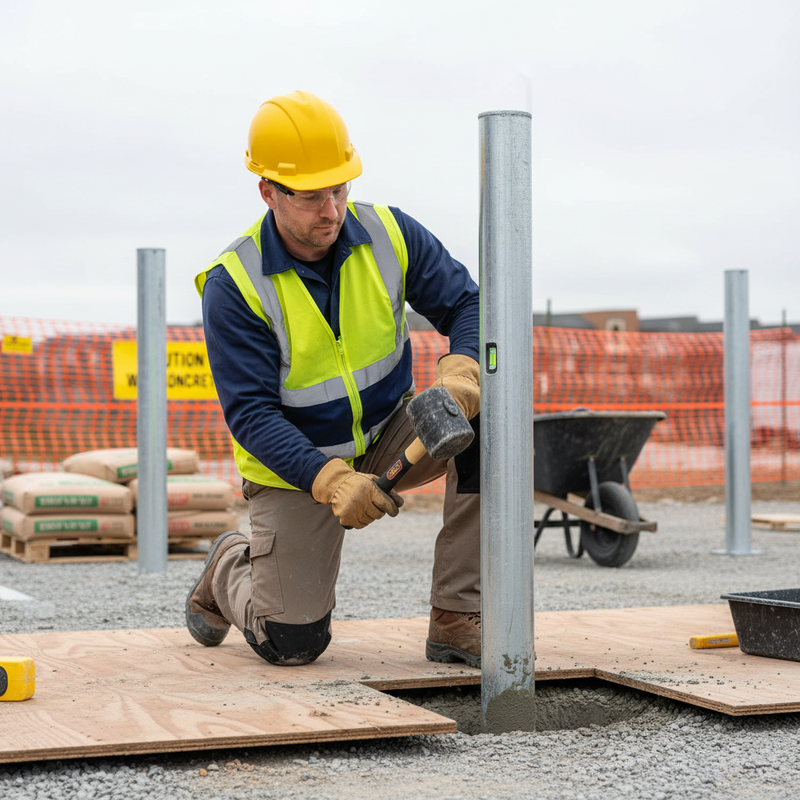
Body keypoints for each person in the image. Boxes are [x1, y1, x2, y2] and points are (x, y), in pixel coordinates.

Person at [186, 90, 482, 668]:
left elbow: (467, 302)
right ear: (268, 191)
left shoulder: (391, 234)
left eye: (340, 188)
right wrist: (330, 480)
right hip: (296, 469)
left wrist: (463, 367)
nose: (332, 209)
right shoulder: (234, 285)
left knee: (494, 415)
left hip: (388, 433)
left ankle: (457, 614)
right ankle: (229, 564)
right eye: (311, 195)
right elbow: (251, 415)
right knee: (293, 644)